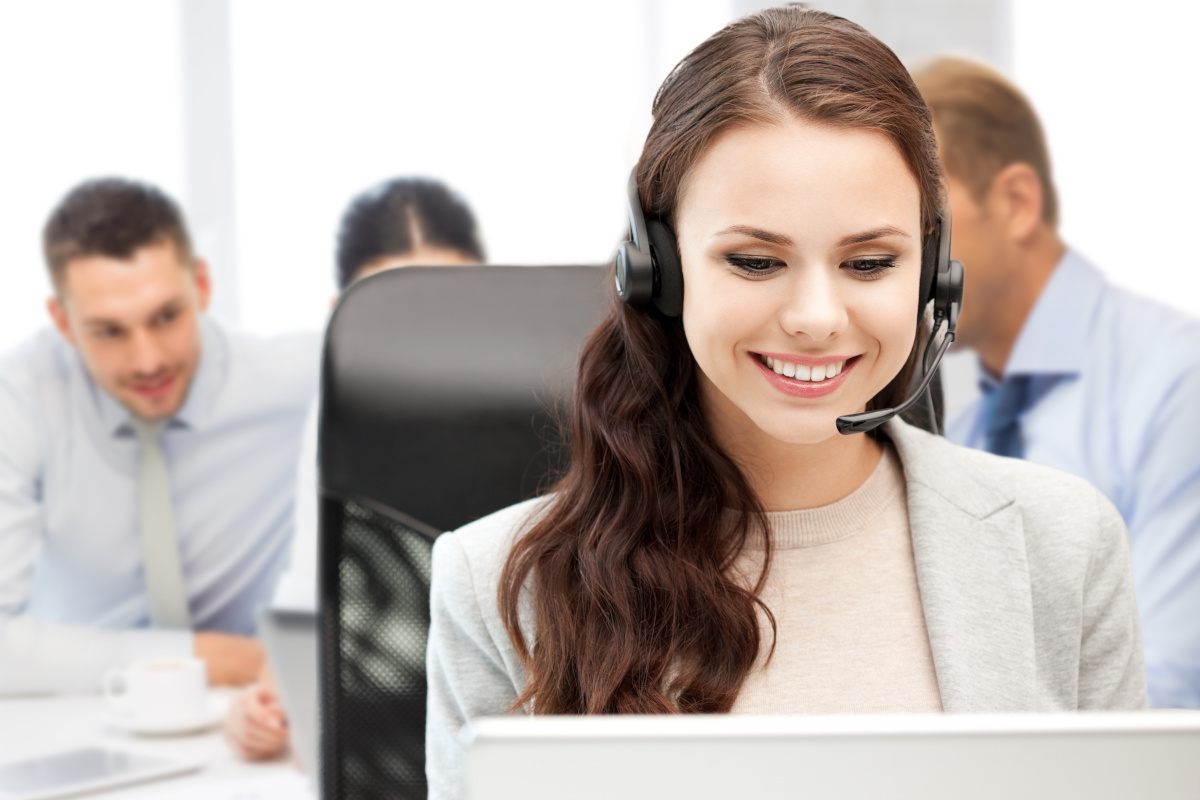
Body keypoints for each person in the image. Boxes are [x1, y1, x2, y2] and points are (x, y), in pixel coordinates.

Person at [424, 7, 1147, 799]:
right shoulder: (499, 583)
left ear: (935, 274)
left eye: (869, 263)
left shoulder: (1064, 546)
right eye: (756, 261)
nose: (816, 317)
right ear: (658, 268)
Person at [912, 57, 1200, 709]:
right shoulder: (964, 425)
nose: (908, 263)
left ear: (1015, 203)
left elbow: (1167, 692)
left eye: (928, 225)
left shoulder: (1177, 386)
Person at [0, 178, 319, 695]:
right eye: (109, 331)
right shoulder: (19, 399)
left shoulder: (296, 379)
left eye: (166, 316)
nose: (147, 360)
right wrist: (198, 658)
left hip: (253, 708)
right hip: (79, 704)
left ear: (203, 285)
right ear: (62, 321)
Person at [224, 177, 486, 761]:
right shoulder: (339, 408)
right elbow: (305, 607)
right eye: (393, 311)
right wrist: (260, 709)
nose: (424, 334)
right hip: (384, 739)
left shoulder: (545, 402)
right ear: (343, 316)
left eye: (449, 304)